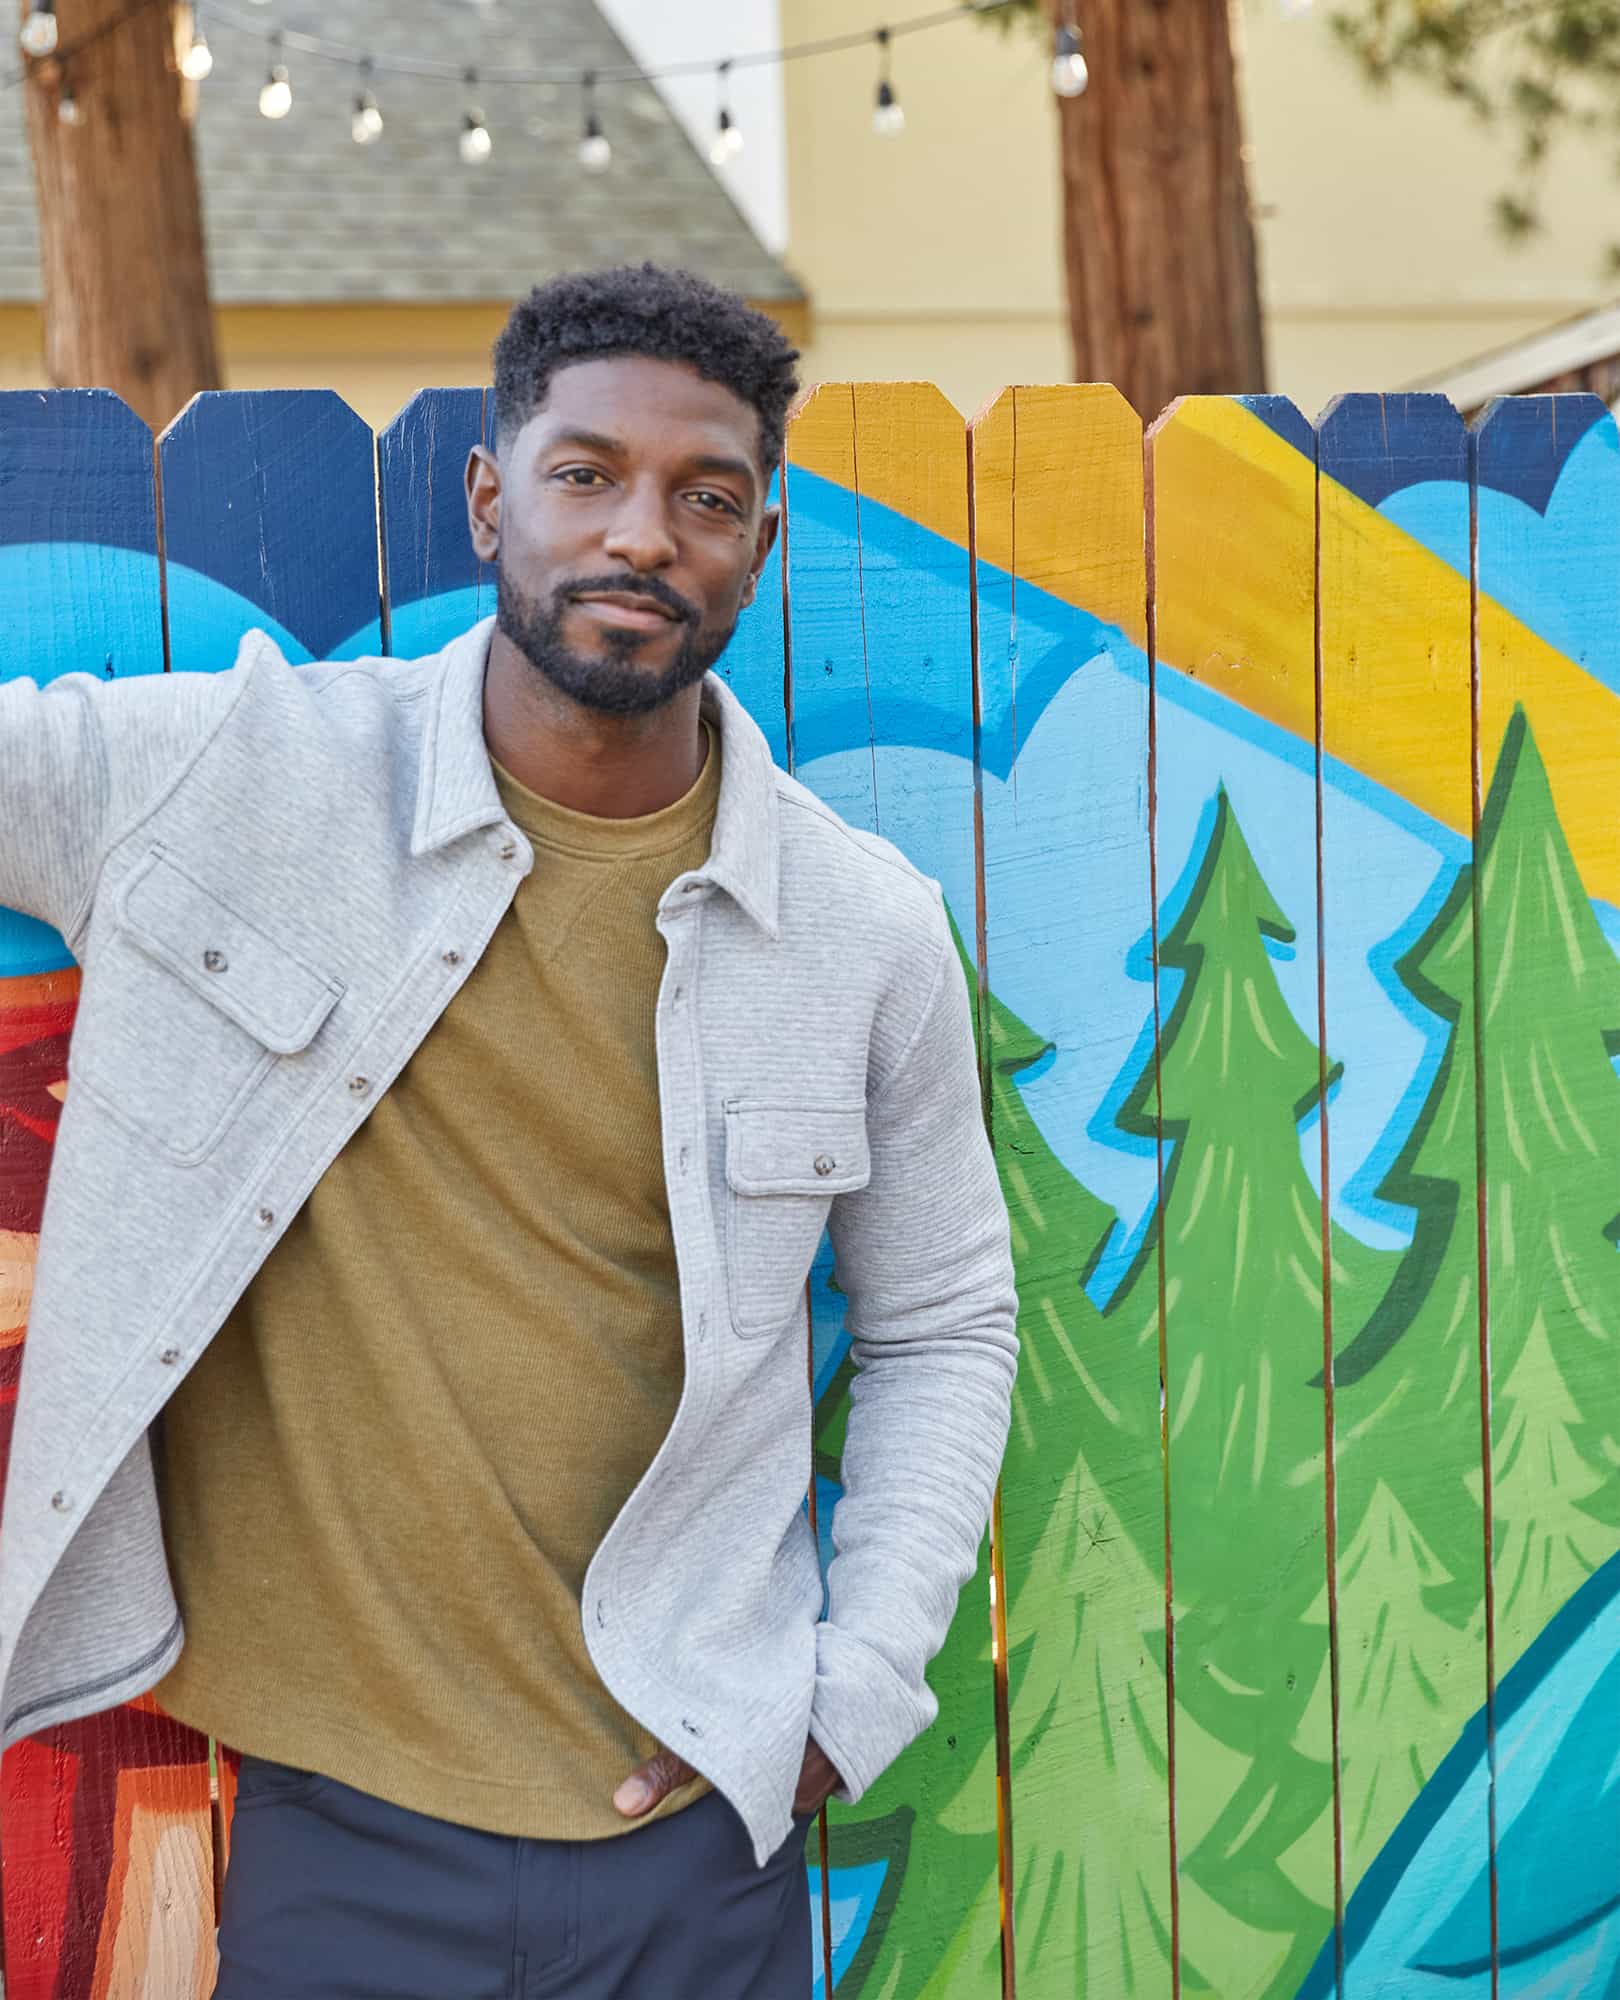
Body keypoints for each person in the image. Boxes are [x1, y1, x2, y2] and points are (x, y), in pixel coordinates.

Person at [0, 263, 1018, 1998]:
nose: (642, 534)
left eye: (707, 498)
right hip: (337, 1823)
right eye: (585, 474)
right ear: (491, 497)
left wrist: (847, 1700)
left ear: (762, 543)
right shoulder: (234, 775)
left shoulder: (862, 930)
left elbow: (943, 1322)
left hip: (698, 1832)